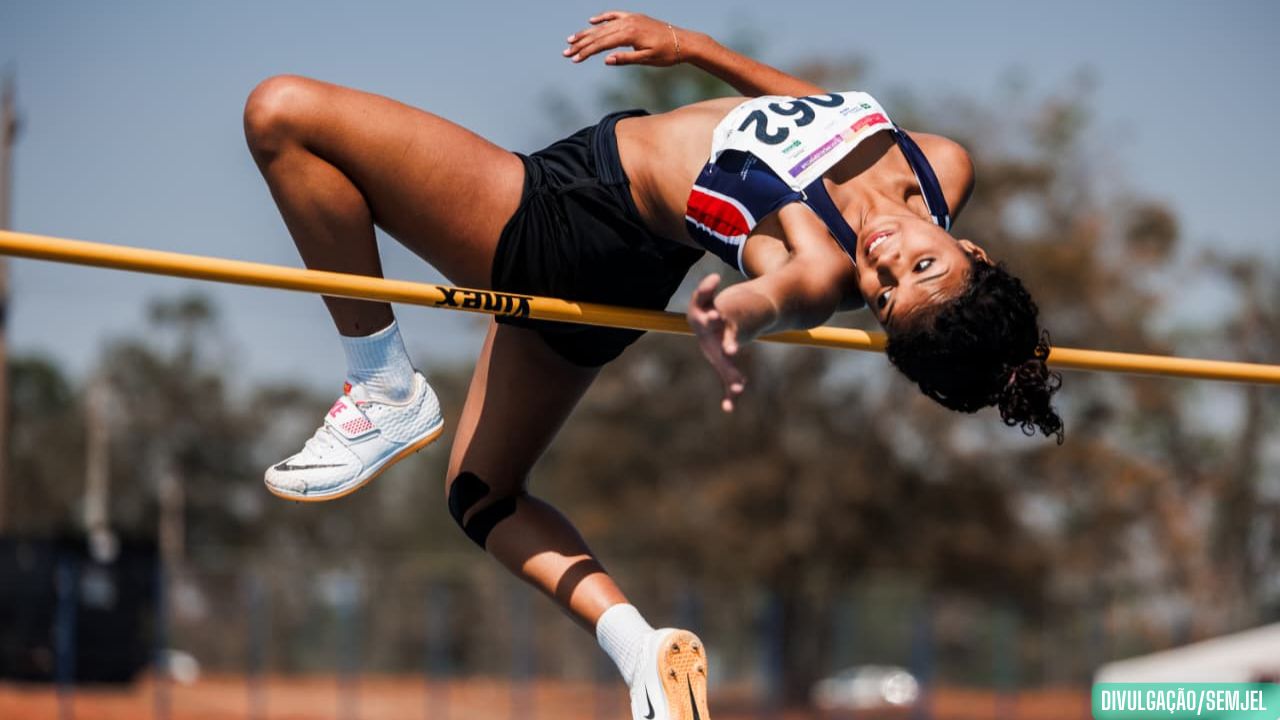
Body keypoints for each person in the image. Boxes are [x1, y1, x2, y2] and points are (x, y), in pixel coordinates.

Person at [242, 10, 1063, 719]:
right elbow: (812, 111)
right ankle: (642, 649)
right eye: (920, 269)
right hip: (625, 257)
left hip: (577, 215)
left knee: (283, 116)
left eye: (883, 297)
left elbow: (791, 291)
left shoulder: (821, 260)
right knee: (481, 496)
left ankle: (383, 383)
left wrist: (726, 312)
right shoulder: (940, 162)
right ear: (970, 247)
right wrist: (695, 47)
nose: (885, 266)